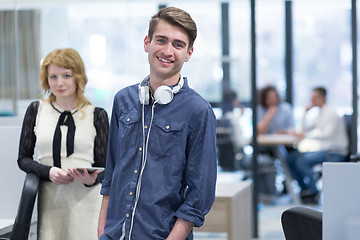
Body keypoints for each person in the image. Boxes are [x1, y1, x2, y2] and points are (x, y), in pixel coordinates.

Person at [98, 7, 217, 240]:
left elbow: (200, 193)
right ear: (147, 42)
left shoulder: (198, 111)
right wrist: (102, 231)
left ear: (189, 52)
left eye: (178, 44)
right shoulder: (123, 100)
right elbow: (111, 173)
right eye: (161, 40)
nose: (167, 51)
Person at [17, 48, 109, 239]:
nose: (59, 83)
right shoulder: (36, 110)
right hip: (50, 199)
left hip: (88, 200)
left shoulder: (97, 114)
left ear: (78, 77)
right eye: (53, 77)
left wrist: (93, 179)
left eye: (66, 75)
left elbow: (107, 166)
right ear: (46, 79)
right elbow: (23, 159)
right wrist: (47, 172)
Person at [287, 87, 348, 203]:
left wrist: (306, 135)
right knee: (292, 157)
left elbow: (328, 134)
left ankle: (313, 191)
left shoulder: (331, 113)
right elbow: (305, 128)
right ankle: (304, 189)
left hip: (334, 152)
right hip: (324, 150)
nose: (312, 101)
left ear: (322, 97)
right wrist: (305, 113)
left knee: (302, 161)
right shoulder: (320, 113)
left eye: (314, 98)